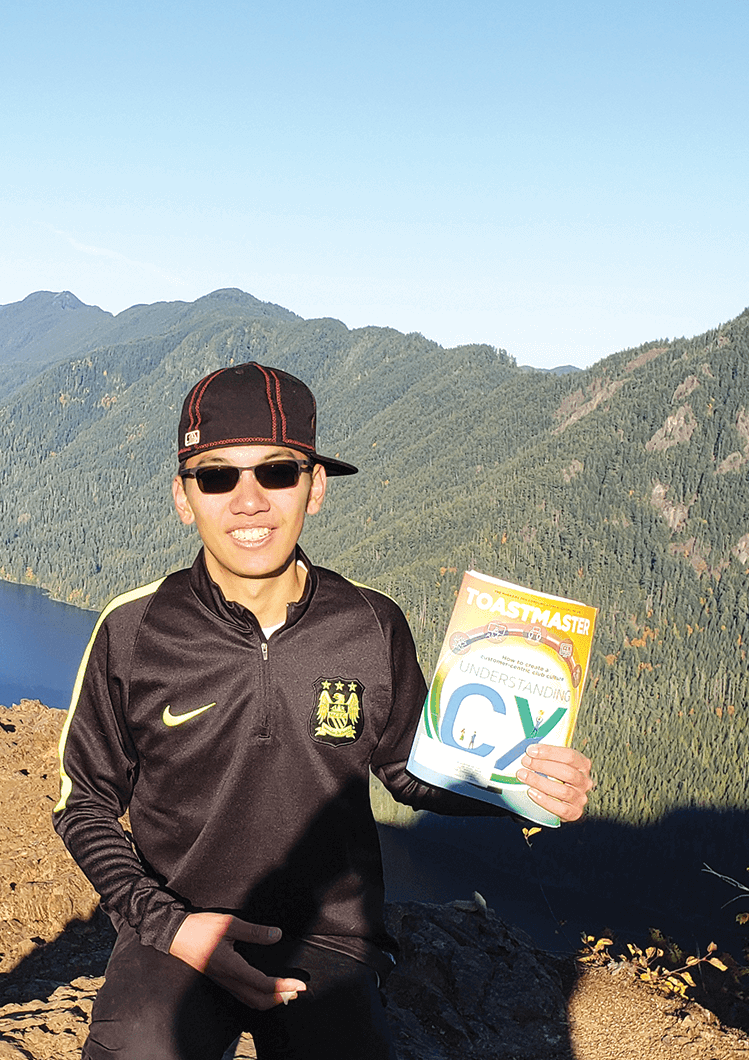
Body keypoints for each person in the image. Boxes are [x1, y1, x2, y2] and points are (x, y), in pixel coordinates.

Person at [52, 361, 596, 1060]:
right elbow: (85, 804)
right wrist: (166, 924)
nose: (248, 500)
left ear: (316, 488)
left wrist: (520, 786)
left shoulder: (371, 624)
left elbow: (407, 766)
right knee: (138, 1048)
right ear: (183, 498)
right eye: (216, 475)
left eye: (277, 472)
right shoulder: (133, 629)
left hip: (331, 938)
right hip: (177, 930)